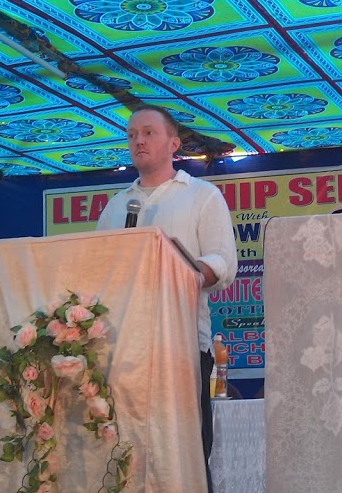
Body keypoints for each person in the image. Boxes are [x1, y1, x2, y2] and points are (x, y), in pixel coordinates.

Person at [96, 105, 237, 493]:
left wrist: (182, 271)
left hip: (182, 348)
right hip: (123, 352)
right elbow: (99, 270)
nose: (138, 141)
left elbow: (223, 263)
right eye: (131, 135)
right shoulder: (115, 206)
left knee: (183, 457)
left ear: (174, 144)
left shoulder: (202, 196)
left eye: (148, 133)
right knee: (126, 457)